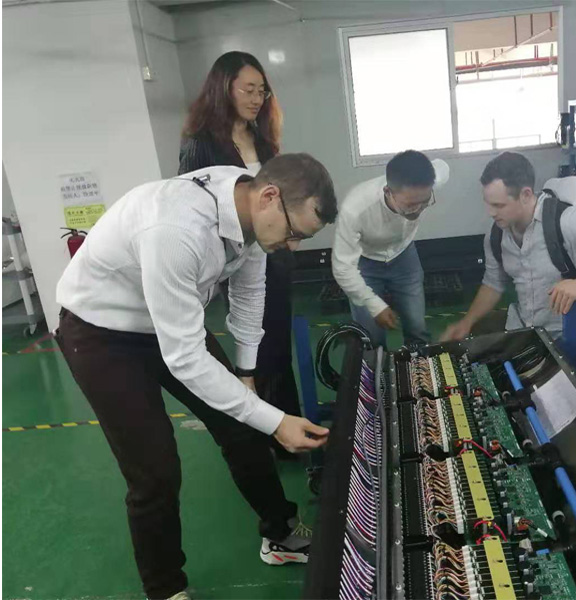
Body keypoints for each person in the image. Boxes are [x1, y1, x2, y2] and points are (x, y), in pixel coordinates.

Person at [55, 154, 337, 600]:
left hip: (169, 317)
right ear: (269, 197)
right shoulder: (176, 228)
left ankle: (280, 534)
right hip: (101, 333)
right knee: (155, 471)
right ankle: (166, 589)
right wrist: (275, 420)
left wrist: (246, 375)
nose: (294, 246)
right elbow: (185, 358)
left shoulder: (250, 209)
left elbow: (249, 294)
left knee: (244, 425)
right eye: (294, 233)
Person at [179, 51, 302, 437]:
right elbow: (189, 204)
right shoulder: (200, 143)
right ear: (223, 89)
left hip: (273, 256)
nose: (256, 99)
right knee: (253, 342)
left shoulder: (263, 140)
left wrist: (290, 231)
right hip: (234, 257)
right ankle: (259, 423)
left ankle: (283, 423)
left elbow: (278, 194)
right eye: (248, 90)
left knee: (277, 344)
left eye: (262, 91)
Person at [441, 152, 576, 352]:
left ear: (525, 195)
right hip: (529, 333)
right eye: (487, 203)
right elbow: (493, 283)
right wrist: (466, 323)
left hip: (574, 340)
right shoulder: (496, 236)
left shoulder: (567, 221)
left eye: (499, 205)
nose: (490, 212)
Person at [332, 150, 449, 348]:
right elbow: (342, 268)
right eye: (410, 205)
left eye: (424, 202)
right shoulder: (355, 208)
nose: (417, 210)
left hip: (404, 256)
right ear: (388, 192)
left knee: (417, 327)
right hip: (365, 262)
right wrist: (375, 305)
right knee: (370, 337)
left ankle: (420, 363)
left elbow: (443, 166)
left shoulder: (432, 178)